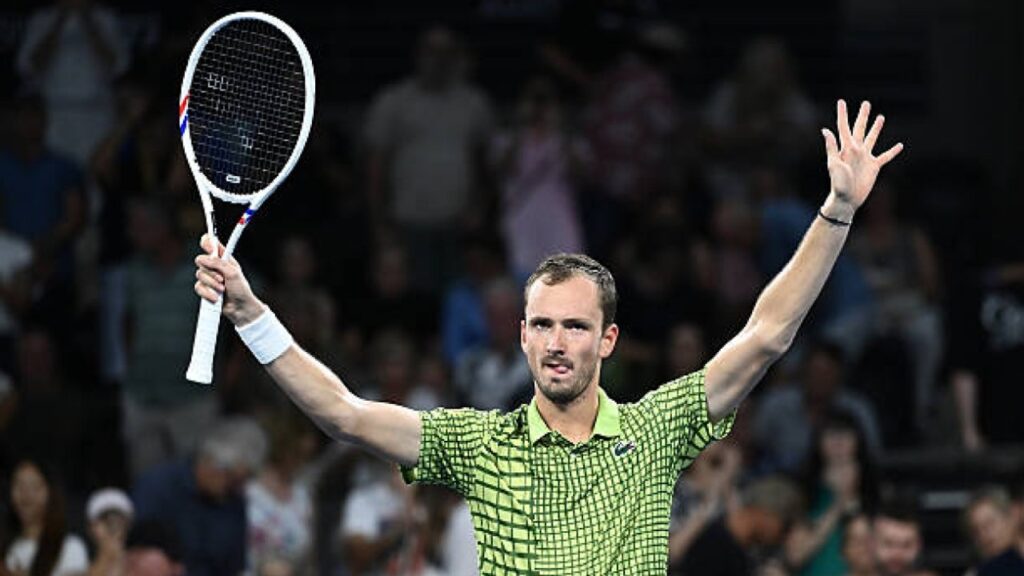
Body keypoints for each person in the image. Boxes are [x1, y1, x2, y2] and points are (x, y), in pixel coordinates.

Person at [194, 100, 903, 573]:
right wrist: (250, 313)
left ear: (609, 340)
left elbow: (767, 335)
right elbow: (343, 413)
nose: (558, 340)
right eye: (543, 324)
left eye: (576, 325)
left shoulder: (657, 431)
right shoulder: (477, 445)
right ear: (524, 339)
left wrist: (837, 210)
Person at [131, 417, 266, 576]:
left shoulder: (235, 501)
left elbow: (235, 565)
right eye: (233, 480)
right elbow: (135, 555)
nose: (237, 489)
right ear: (212, 463)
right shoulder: (158, 487)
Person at [2, 459, 89, 576]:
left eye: (34, 486)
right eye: (19, 485)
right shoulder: (6, 547)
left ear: (50, 493)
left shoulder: (70, 548)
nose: (26, 495)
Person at [964, 486, 1024, 576]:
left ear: (1013, 514)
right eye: (976, 531)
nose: (983, 535)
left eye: (989, 524)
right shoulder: (981, 571)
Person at [84, 487, 133, 576]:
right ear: (91, 528)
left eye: (119, 520)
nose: (113, 527)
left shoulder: (145, 567)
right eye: (106, 520)